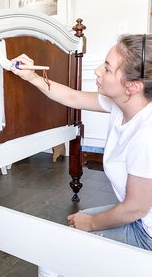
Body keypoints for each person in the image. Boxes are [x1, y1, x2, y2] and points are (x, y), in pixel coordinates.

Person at [11, 34, 152, 251]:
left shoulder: (146, 135)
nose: (97, 70)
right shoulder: (123, 103)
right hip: (139, 218)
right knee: (71, 227)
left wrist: (91, 222)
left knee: (56, 248)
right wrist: (32, 77)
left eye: (107, 68)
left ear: (132, 86)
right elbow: (72, 97)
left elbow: (134, 209)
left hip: (146, 234)